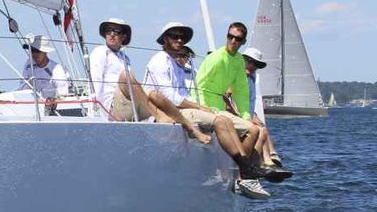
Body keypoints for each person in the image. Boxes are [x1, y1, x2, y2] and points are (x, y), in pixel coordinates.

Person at [143, 22, 284, 196]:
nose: (179, 40)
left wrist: (246, 114)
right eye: (174, 36)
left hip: (188, 108)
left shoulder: (177, 63)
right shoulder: (161, 60)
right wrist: (202, 107)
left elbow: (240, 90)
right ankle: (243, 172)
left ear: (242, 41)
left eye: (182, 37)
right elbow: (179, 93)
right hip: (174, 110)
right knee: (221, 121)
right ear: (165, 39)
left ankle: (243, 174)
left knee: (253, 129)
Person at [89, 17, 212, 143]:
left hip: (130, 103)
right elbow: (96, 81)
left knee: (155, 94)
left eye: (117, 31)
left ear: (124, 37)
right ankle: (160, 116)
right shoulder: (100, 52)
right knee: (126, 76)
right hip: (112, 106)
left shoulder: (124, 57)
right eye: (109, 31)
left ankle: (190, 128)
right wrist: (101, 110)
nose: (112, 34)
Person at [242, 47, 290, 177]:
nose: (252, 66)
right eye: (249, 62)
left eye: (256, 64)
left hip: (247, 114)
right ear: (243, 60)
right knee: (260, 130)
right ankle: (262, 163)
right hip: (237, 115)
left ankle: (271, 157)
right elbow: (230, 99)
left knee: (262, 127)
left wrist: (253, 115)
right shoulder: (238, 77)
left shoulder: (251, 79)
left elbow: (247, 103)